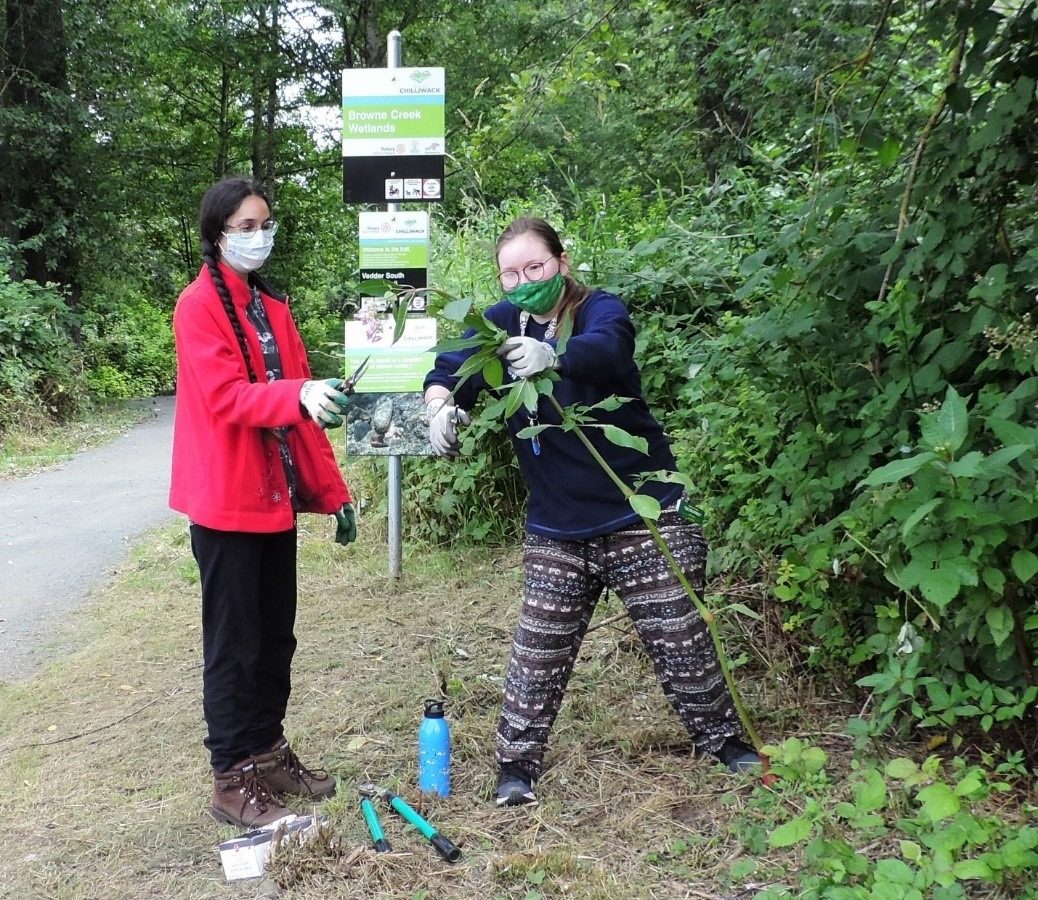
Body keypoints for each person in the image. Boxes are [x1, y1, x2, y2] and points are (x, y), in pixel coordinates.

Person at [423, 216, 760, 807]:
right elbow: (453, 368)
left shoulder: (600, 308)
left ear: (562, 261)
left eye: (535, 267)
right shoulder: (501, 324)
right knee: (538, 651)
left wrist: (551, 356)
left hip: (640, 509)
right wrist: (439, 406)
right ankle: (515, 772)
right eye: (511, 273)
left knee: (682, 636)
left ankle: (726, 744)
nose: (524, 281)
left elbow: (607, 350)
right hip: (558, 523)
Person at [170, 176, 358, 828]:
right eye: (245, 227)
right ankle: (231, 779)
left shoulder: (273, 309)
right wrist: (297, 394)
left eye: (264, 224)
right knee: (235, 645)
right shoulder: (198, 307)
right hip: (225, 503)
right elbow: (228, 398)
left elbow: (301, 416)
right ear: (217, 234)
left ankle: (267, 752)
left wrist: (334, 495)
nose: (258, 236)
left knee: (276, 637)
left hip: (274, 499)